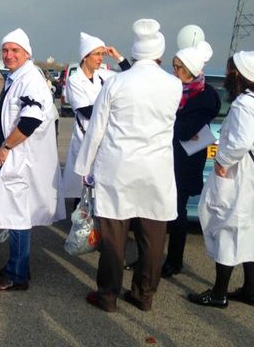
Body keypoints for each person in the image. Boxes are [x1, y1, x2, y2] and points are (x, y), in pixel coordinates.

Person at [74, 19, 182, 312]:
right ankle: (144, 295)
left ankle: (108, 296)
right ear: (159, 54)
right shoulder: (174, 85)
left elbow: (97, 128)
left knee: (113, 237)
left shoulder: (117, 82)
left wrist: (85, 167)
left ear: (134, 54)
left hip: (118, 167)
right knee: (152, 238)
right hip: (156, 171)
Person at [0, 29, 65, 292]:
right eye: (5, 50)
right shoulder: (17, 77)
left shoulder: (30, 79)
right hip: (16, 157)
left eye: (15, 50)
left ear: (27, 53)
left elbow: (31, 119)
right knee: (16, 216)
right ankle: (15, 266)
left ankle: (16, 276)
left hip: (20, 158)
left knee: (17, 218)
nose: (8, 55)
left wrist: (6, 145)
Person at [188, 51, 254, 308]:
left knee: (227, 226)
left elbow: (241, 141)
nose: (227, 77)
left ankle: (219, 293)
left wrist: (222, 161)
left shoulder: (242, 106)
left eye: (229, 72)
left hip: (237, 176)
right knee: (248, 231)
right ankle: (250, 290)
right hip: (246, 177)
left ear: (238, 76)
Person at [162, 41, 220, 278]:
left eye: (179, 67)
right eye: (174, 66)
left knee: (177, 211)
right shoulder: (172, 88)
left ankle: (174, 261)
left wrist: (165, 121)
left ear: (191, 69)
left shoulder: (206, 96)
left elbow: (184, 130)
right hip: (165, 158)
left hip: (185, 162)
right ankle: (150, 256)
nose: (175, 71)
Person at [62, 32, 130, 201]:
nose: (101, 58)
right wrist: (114, 107)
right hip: (84, 139)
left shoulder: (104, 76)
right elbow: (86, 110)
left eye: (102, 54)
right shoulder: (75, 80)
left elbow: (130, 77)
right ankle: (81, 225)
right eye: (97, 54)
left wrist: (118, 57)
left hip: (105, 140)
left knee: (101, 190)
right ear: (85, 56)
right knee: (82, 190)